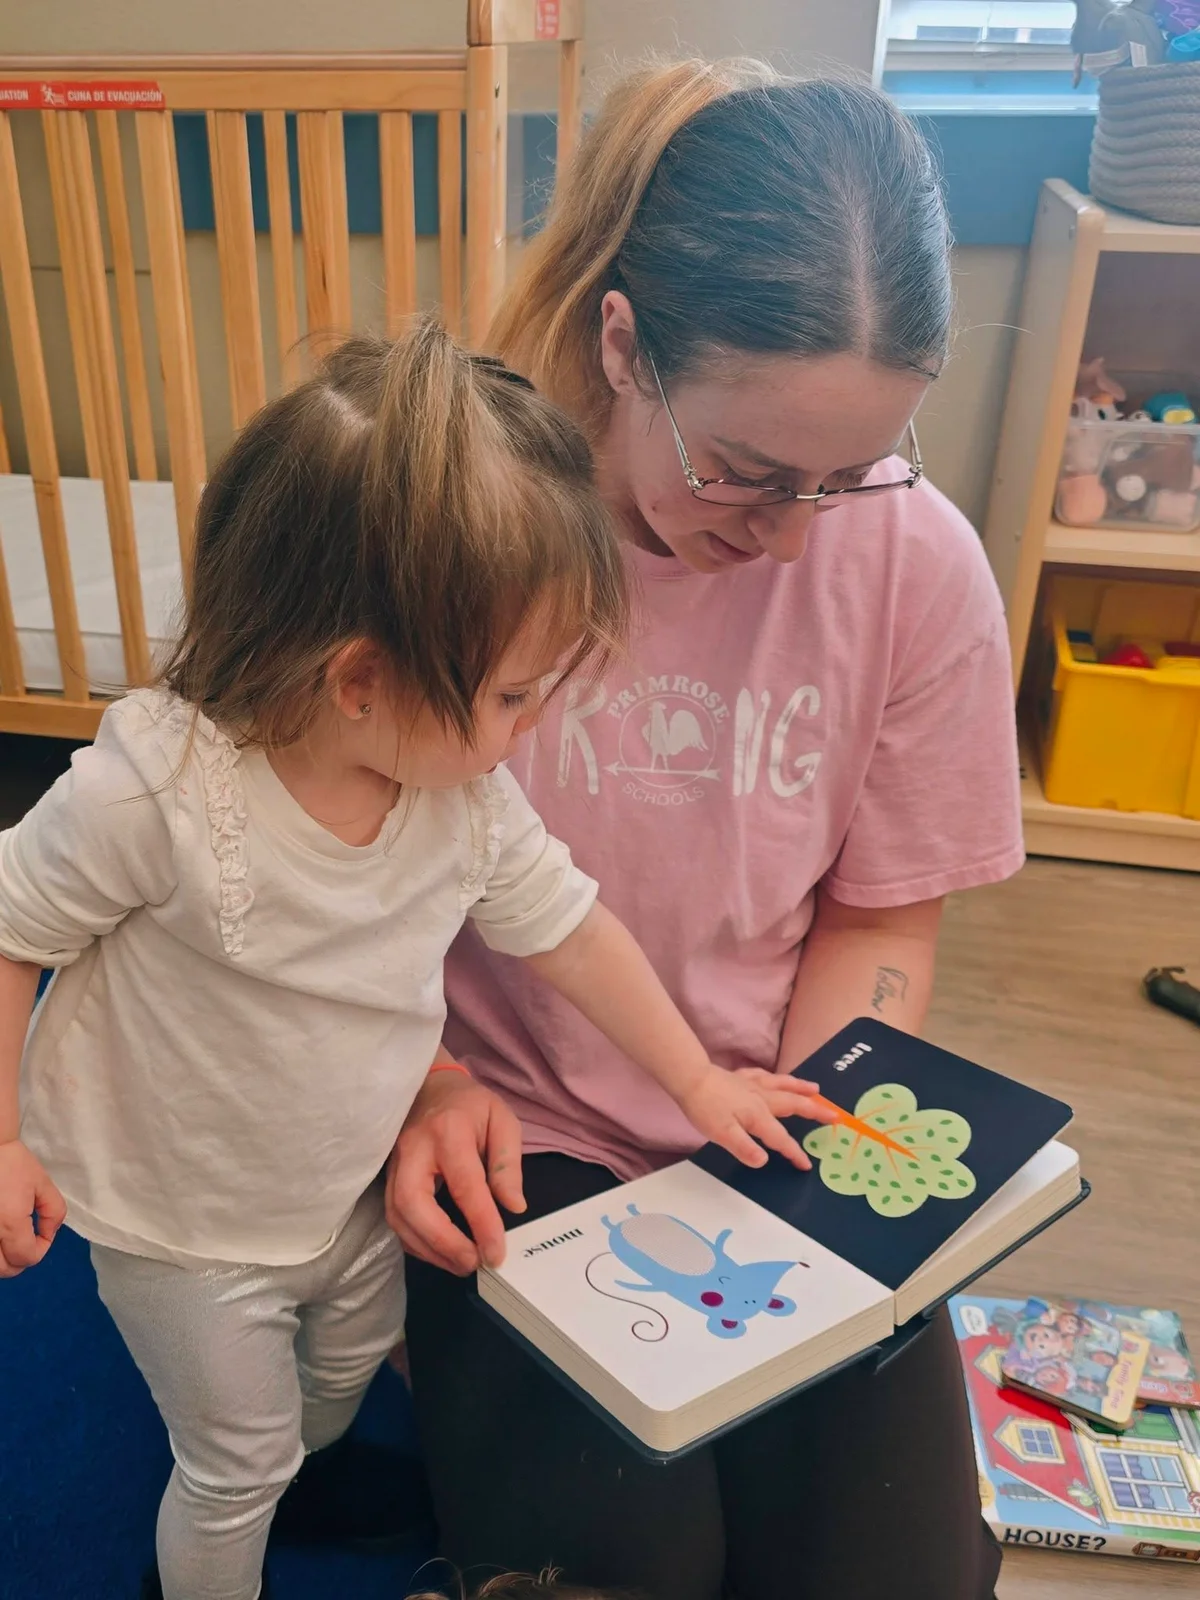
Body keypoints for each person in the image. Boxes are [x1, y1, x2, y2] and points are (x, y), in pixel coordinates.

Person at [0, 319, 832, 1600]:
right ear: (359, 680)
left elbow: (572, 929)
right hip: (182, 1222)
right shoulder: (157, 793)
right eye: (511, 697)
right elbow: (10, 927)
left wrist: (699, 1082)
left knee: (345, 1369)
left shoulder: (459, 799)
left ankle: (316, 1469)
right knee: (235, 1457)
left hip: (343, 1185)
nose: (530, 729)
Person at [390, 60, 1025, 1600]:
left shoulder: (916, 567)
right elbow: (312, 874)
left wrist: (811, 1138)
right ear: (624, 343)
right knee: (622, 1574)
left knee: (899, 1580)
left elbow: (880, 915)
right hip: (514, 1133)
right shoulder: (449, 527)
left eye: (852, 473)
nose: (791, 530)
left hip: (764, 1121)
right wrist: (427, 1079)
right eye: (743, 471)